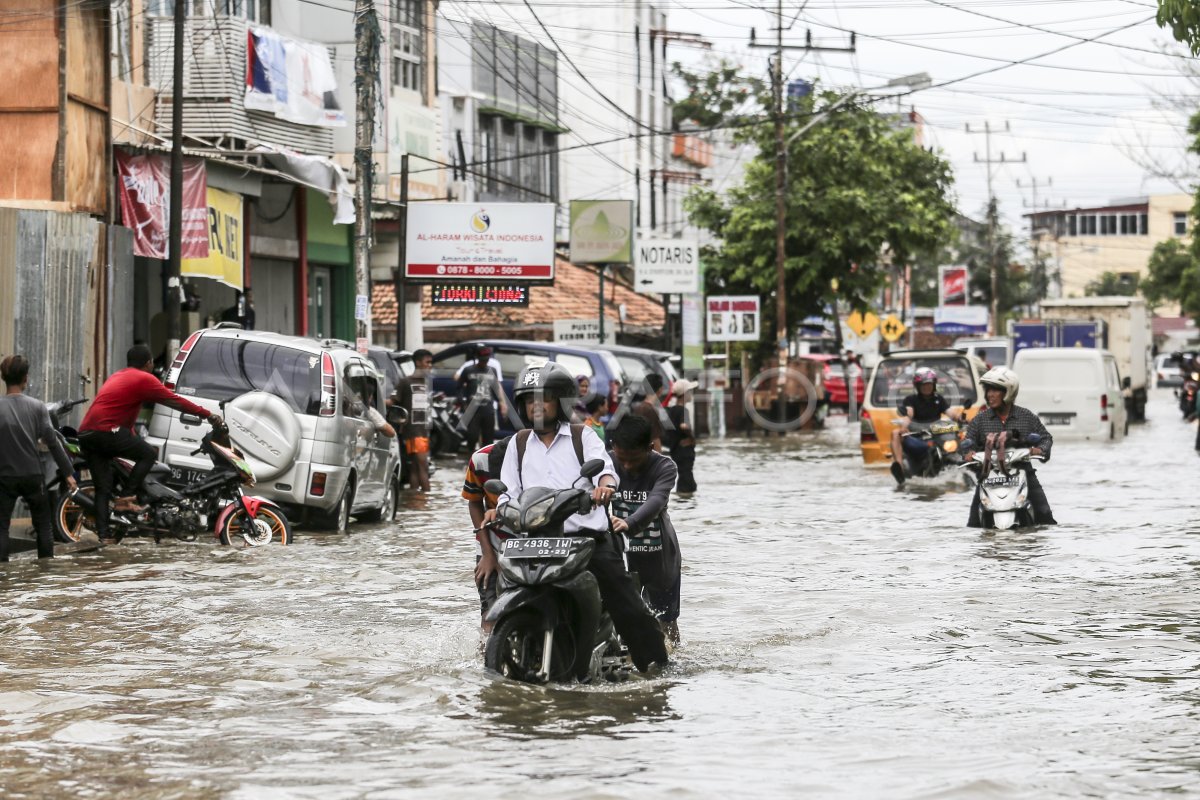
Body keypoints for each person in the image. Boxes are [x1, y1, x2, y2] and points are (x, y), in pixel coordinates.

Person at [487, 361, 669, 672]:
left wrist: (604, 487)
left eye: (544, 399)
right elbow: (508, 491)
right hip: (536, 541)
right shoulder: (517, 445)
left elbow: (606, 471)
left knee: (626, 604)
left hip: (587, 540)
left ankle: (656, 665)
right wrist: (499, 506)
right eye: (530, 400)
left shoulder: (581, 436)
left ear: (561, 402)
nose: (537, 406)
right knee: (506, 588)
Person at [79, 344, 218, 542]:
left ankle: (104, 537)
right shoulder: (145, 379)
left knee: (103, 488)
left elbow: (125, 421)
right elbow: (175, 401)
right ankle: (125, 499)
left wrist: (134, 438)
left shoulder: (118, 375)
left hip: (87, 433)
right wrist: (208, 414)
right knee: (148, 454)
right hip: (105, 432)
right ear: (149, 363)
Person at [610, 415, 683, 645]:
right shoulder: (606, 464)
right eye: (623, 460)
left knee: (666, 621)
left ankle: (673, 663)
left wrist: (629, 522)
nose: (627, 466)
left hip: (659, 556)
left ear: (650, 448)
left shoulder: (665, 466)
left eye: (634, 460)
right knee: (620, 620)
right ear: (614, 448)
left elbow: (657, 501)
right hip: (621, 555)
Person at [0, 355, 76, 562]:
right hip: (33, 475)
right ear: (26, 378)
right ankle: (45, 573)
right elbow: (53, 442)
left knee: (2, 527)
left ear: (3, 377)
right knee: (43, 524)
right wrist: (68, 473)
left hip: (4, 476)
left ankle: (3, 576)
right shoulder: (37, 407)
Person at [961, 366, 1057, 526]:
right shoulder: (979, 419)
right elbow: (966, 443)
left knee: (1045, 516)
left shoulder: (1026, 416)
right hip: (988, 476)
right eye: (988, 390)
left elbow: (1046, 438)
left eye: (995, 390)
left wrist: (1040, 450)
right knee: (973, 524)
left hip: (1024, 473)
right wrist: (968, 453)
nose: (989, 395)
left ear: (1009, 392)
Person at [463, 435, 511, 629]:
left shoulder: (538, 459)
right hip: (492, 538)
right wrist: (489, 554)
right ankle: (486, 657)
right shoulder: (479, 460)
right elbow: (474, 502)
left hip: (530, 540)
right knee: (490, 612)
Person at [889, 367, 961, 485]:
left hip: (937, 435)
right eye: (923, 385)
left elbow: (951, 413)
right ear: (917, 386)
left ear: (934, 385)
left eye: (929, 384)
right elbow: (909, 414)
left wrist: (961, 418)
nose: (927, 387)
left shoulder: (939, 399)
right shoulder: (910, 399)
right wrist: (903, 427)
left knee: (960, 439)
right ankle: (900, 467)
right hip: (917, 437)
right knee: (895, 433)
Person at [394, 349, 433, 491]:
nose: (430, 365)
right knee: (423, 467)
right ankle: (427, 501)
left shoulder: (426, 382)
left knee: (416, 468)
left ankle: (416, 501)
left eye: (431, 362)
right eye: (427, 362)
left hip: (422, 431)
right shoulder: (405, 382)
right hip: (414, 431)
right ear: (418, 362)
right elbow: (393, 401)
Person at [458, 346, 507, 450]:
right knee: (472, 436)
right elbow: (459, 388)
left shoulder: (492, 370)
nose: (485, 361)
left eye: (487, 359)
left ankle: (486, 461)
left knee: (488, 438)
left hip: (488, 409)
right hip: (472, 410)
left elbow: (496, 388)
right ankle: (471, 460)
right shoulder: (468, 370)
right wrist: (463, 403)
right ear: (477, 357)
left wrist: (502, 403)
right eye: (482, 359)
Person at [665, 378, 699, 493]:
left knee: (683, 476)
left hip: (675, 450)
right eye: (689, 392)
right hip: (684, 451)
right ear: (684, 394)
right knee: (687, 479)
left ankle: (683, 499)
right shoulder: (683, 411)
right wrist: (692, 438)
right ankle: (686, 500)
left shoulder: (672, 410)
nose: (691, 394)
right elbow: (684, 426)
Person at [630, 373, 669, 452]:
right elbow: (655, 438)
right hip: (650, 455)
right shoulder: (651, 410)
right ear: (660, 389)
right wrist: (660, 459)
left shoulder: (637, 408)